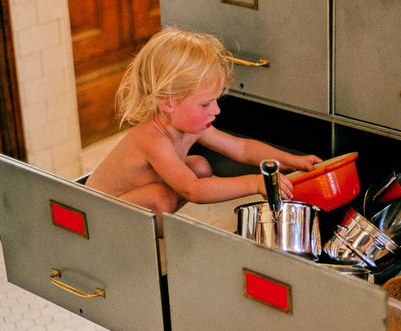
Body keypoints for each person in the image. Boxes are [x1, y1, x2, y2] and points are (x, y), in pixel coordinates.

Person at [85, 27, 321, 234]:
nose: (216, 110)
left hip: (130, 204)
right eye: (205, 104)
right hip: (99, 217)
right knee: (162, 197)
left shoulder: (186, 124)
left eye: (216, 101)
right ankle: (148, 237)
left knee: (200, 166)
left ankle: (156, 225)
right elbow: (193, 191)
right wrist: (254, 183)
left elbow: (241, 148)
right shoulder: (152, 138)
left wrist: (292, 161)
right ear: (168, 103)